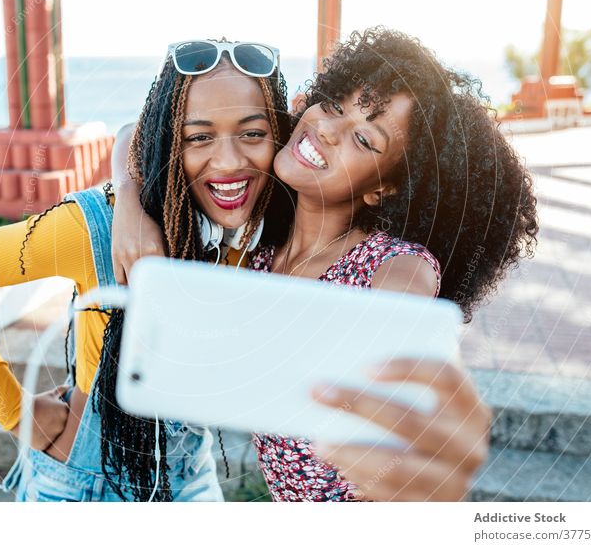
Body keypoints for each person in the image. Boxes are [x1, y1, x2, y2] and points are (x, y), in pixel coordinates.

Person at [111, 27, 538, 501]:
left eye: (363, 139)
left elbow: (409, 327)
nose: (328, 129)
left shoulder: (392, 265)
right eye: (334, 105)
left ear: (384, 188)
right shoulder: (254, 243)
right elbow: (141, 130)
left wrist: (430, 421)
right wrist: (127, 202)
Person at [0, 39, 292, 501]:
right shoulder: (95, 226)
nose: (230, 161)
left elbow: (131, 132)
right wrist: (15, 413)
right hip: (86, 480)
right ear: (170, 142)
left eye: (252, 133)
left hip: (191, 471)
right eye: (198, 137)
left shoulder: (265, 229)